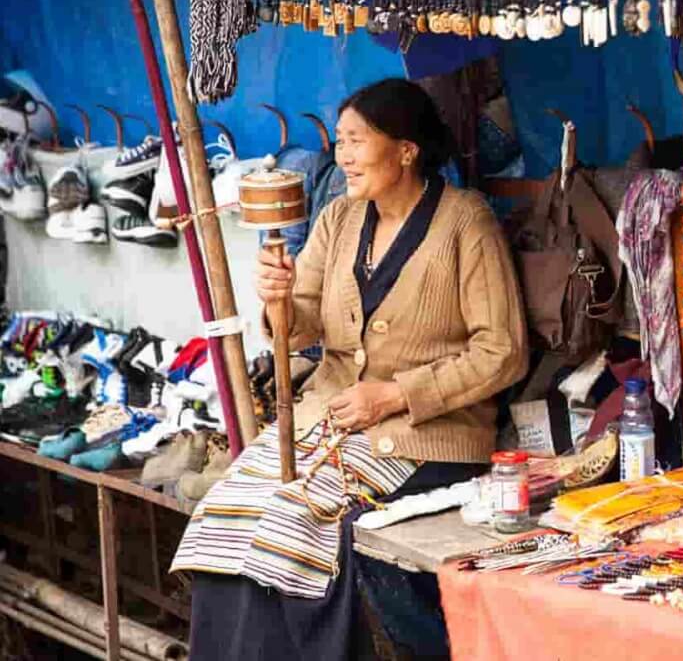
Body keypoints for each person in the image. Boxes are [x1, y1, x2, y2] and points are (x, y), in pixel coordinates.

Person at [171, 78, 528, 660]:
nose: (343, 156)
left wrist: (396, 395)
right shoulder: (339, 218)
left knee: (288, 531)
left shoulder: (465, 222)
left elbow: (503, 351)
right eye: (339, 141)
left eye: (357, 141)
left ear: (406, 149)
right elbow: (304, 324)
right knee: (223, 520)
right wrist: (280, 301)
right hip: (328, 420)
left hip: (422, 436)